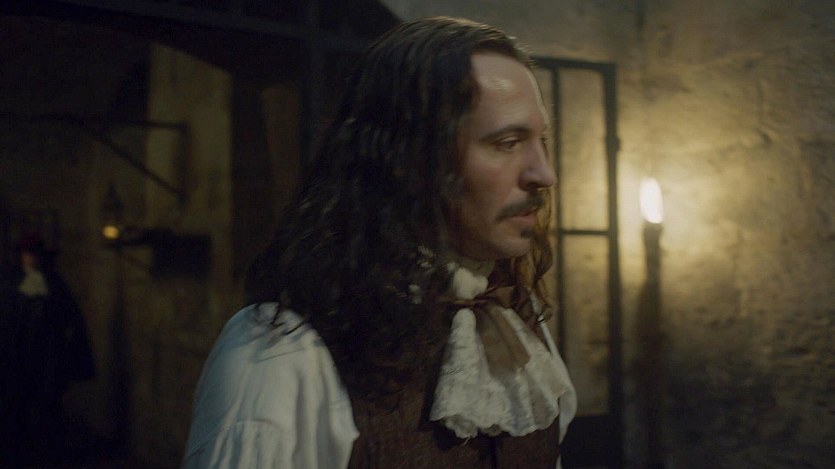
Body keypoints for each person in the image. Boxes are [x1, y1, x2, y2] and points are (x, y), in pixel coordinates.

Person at [184, 17, 576, 468]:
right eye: (507, 142)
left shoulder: (515, 325)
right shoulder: (280, 354)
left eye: (540, 140)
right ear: (411, 159)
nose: (544, 174)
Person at [0, 233, 95, 465]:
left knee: (49, 409)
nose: (32, 258)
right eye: (27, 254)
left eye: (35, 254)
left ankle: (50, 456)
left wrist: (68, 355)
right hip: (19, 356)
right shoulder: (11, 284)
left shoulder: (54, 283)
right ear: (21, 256)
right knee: (17, 409)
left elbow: (70, 318)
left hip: (48, 358)